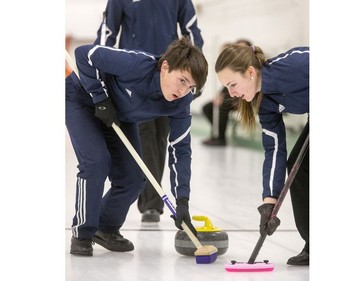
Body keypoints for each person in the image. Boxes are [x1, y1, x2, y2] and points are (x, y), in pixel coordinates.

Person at [66, 37, 208, 256]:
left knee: (134, 177)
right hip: (81, 99)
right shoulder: (136, 65)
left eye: (191, 87)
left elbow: (181, 150)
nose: (183, 91)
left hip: (119, 115)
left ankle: (105, 228)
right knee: (96, 162)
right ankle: (82, 232)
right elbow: (84, 54)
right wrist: (100, 97)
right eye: (182, 80)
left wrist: (182, 201)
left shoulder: (181, 103)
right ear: (165, 67)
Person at [94, 0, 204, 222]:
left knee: (161, 138)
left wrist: (194, 74)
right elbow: (108, 29)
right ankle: (152, 203)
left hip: (171, 75)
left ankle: (152, 200)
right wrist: (100, 70)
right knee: (145, 136)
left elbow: (191, 28)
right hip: (136, 77)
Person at [215, 44, 309, 265]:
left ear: (250, 72)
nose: (231, 94)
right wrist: (269, 202)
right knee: (298, 165)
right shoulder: (265, 103)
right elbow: (274, 149)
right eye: (227, 87)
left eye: (232, 84)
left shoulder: (295, 65)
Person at [202, 38, 252, 146]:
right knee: (208, 107)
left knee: (223, 105)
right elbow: (228, 85)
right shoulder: (234, 66)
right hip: (232, 97)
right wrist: (219, 95)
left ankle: (220, 138)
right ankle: (218, 133)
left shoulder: (249, 65)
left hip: (245, 98)